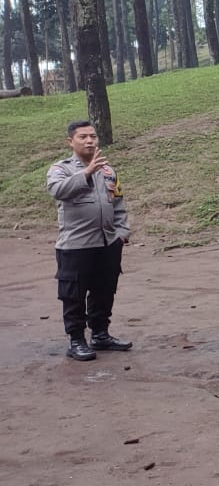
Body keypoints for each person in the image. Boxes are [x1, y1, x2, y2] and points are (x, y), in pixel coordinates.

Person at [47, 121, 133, 360]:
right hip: (76, 245)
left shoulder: (108, 171)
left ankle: (101, 335)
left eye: (93, 136)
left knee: (104, 290)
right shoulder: (60, 169)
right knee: (73, 294)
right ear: (71, 142)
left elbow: (118, 203)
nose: (89, 141)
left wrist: (122, 233)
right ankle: (76, 340)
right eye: (83, 137)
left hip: (107, 243)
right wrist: (86, 172)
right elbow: (58, 191)